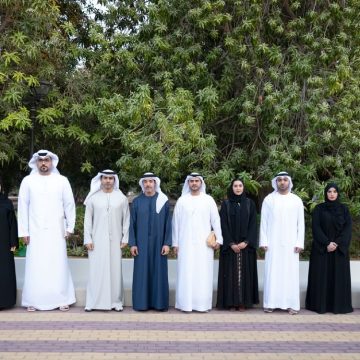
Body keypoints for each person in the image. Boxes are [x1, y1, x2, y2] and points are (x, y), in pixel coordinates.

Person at [18, 150, 76, 311]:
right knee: (35, 265)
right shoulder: (28, 181)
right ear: (36, 163)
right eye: (41, 160)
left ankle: (62, 299)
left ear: (52, 162)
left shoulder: (62, 181)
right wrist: (24, 232)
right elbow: (22, 207)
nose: (44, 163)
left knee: (58, 264)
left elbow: (69, 205)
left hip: (57, 231)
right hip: (35, 232)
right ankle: (32, 300)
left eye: (47, 160)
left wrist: (70, 227)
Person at [172, 172, 223, 312]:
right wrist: (175, 243)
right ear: (188, 183)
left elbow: (216, 220)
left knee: (203, 273)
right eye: (191, 181)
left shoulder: (208, 200)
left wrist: (219, 239)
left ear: (201, 183)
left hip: (204, 245)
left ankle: (202, 305)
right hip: (185, 243)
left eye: (196, 181)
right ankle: (185, 304)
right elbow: (175, 223)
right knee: (186, 272)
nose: (194, 183)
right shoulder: (182, 201)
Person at [83, 169, 130, 312]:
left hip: (115, 241)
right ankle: (93, 302)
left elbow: (126, 219)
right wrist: (87, 239)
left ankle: (116, 302)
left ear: (114, 180)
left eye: (111, 178)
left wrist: (125, 237)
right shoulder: (93, 198)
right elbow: (87, 221)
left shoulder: (121, 198)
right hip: (96, 241)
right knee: (96, 271)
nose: (108, 181)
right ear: (100, 180)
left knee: (115, 271)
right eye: (105, 178)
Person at [259, 171, 304, 315]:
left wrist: (299, 242)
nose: (282, 182)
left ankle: (291, 304)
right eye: (279, 180)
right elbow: (264, 222)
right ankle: (270, 303)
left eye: (285, 180)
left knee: (290, 273)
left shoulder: (296, 200)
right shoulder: (269, 199)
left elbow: (300, 224)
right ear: (276, 182)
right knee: (273, 273)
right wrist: (264, 241)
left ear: (289, 182)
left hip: (291, 244)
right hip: (273, 243)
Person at [305, 183, 353, 314]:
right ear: (325, 193)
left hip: (339, 251)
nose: (332, 194)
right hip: (322, 250)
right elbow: (316, 228)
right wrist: (327, 243)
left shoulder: (344, 210)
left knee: (338, 278)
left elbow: (348, 229)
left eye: (334, 192)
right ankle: (321, 305)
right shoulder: (319, 209)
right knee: (321, 277)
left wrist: (336, 243)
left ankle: (338, 306)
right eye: (329, 191)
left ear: (338, 194)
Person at [129, 172, 172, 311]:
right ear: (142, 184)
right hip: (141, 244)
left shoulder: (163, 201)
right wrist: (133, 243)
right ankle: (142, 304)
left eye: (150, 181)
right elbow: (132, 224)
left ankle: (159, 304)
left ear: (155, 183)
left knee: (158, 273)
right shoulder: (136, 202)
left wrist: (167, 243)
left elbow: (168, 224)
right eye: (145, 182)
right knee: (142, 273)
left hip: (159, 244)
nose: (148, 184)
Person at [216, 179, 259, 310]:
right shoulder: (226, 204)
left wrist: (246, 242)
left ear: (244, 188)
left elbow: (253, 224)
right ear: (232, 188)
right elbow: (222, 225)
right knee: (230, 273)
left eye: (240, 186)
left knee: (244, 273)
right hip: (230, 247)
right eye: (235, 186)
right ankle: (230, 302)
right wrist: (230, 243)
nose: (238, 188)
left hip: (245, 247)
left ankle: (242, 303)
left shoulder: (250, 204)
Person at [0, 176, 19, 309]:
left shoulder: (6, 203)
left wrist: (13, 241)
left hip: (4, 244)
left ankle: (5, 301)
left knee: (5, 271)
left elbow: (13, 223)